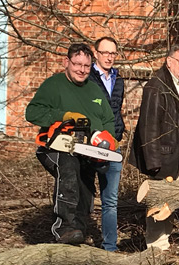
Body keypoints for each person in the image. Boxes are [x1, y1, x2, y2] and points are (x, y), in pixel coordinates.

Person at [25, 43, 116, 245]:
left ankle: (78, 233)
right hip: (55, 146)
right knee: (68, 168)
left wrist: (108, 138)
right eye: (77, 64)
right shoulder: (53, 85)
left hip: (86, 148)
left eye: (86, 65)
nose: (82, 70)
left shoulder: (94, 90)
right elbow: (32, 112)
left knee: (85, 184)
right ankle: (64, 228)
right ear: (67, 62)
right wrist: (63, 116)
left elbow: (109, 120)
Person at [129, 43, 179, 250]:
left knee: (172, 202)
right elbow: (149, 126)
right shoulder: (157, 85)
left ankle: (165, 240)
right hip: (164, 158)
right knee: (159, 201)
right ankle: (155, 246)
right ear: (169, 61)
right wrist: (153, 162)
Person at [88, 37, 125, 252]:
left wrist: (119, 132)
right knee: (85, 197)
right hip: (90, 144)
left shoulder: (118, 79)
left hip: (113, 145)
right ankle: (78, 240)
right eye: (105, 52)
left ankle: (110, 246)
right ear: (96, 53)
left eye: (113, 53)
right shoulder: (87, 77)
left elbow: (116, 109)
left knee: (110, 200)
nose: (109, 57)